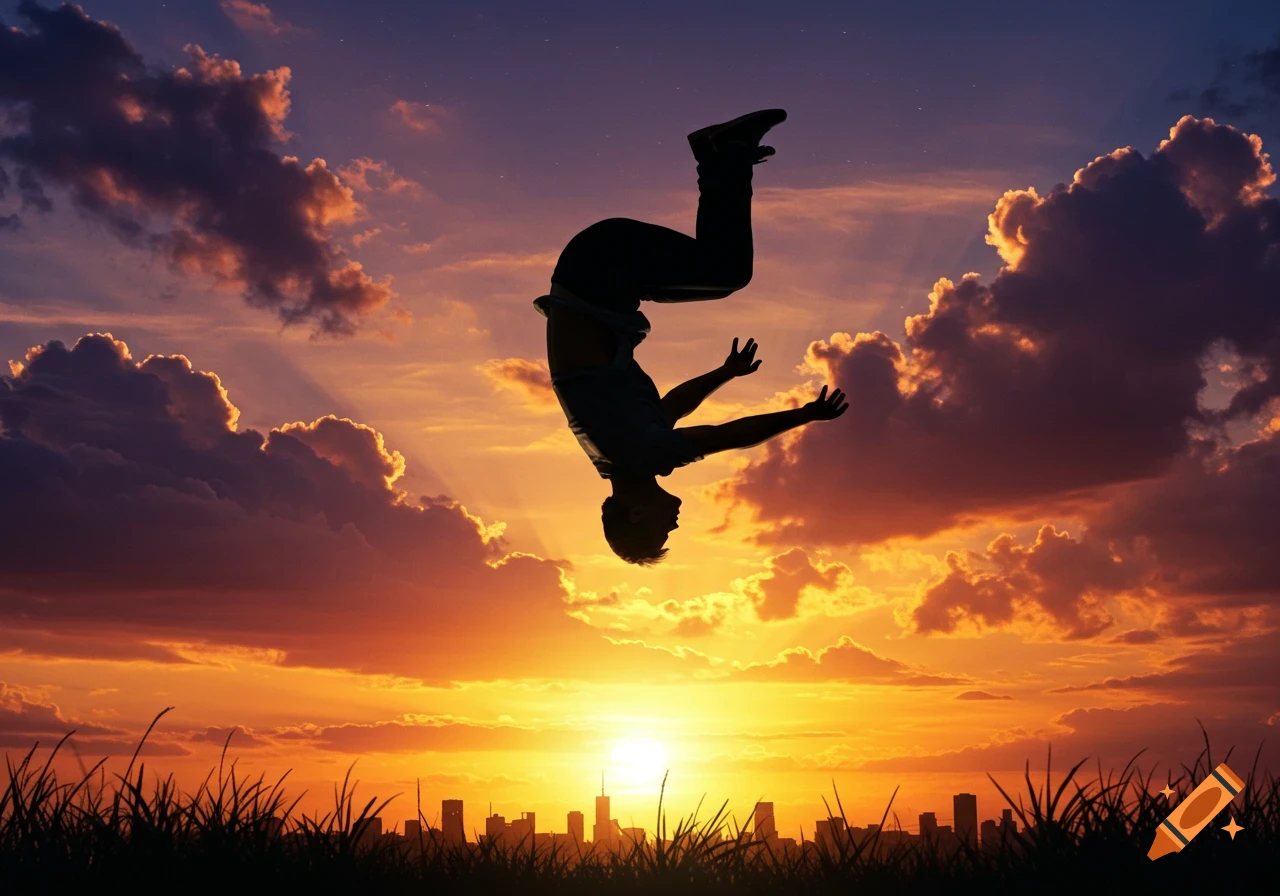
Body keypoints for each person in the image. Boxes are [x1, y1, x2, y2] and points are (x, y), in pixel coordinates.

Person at [534, 109, 847, 565]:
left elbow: (728, 436)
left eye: (663, 530)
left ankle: (725, 153)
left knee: (726, 272)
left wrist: (806, 415)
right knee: (717, 274)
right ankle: (719, 154)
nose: (675, 524)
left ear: (639, 513)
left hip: (601, 269)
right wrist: (725, 373)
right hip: (599, 275)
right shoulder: (620, 455)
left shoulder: (641, 455)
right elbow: (671, 408)